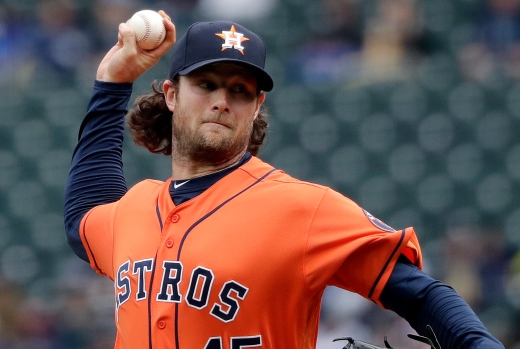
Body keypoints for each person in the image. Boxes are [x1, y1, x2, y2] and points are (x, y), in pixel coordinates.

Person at [64, 10, 505, 348]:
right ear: (173, 95)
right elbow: (84, 217)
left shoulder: (303, 208)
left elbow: (422, 295)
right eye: (207, 84)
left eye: (239, 91)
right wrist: (112, 81)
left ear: (256, 107)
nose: (222, 101)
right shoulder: (136, 208)